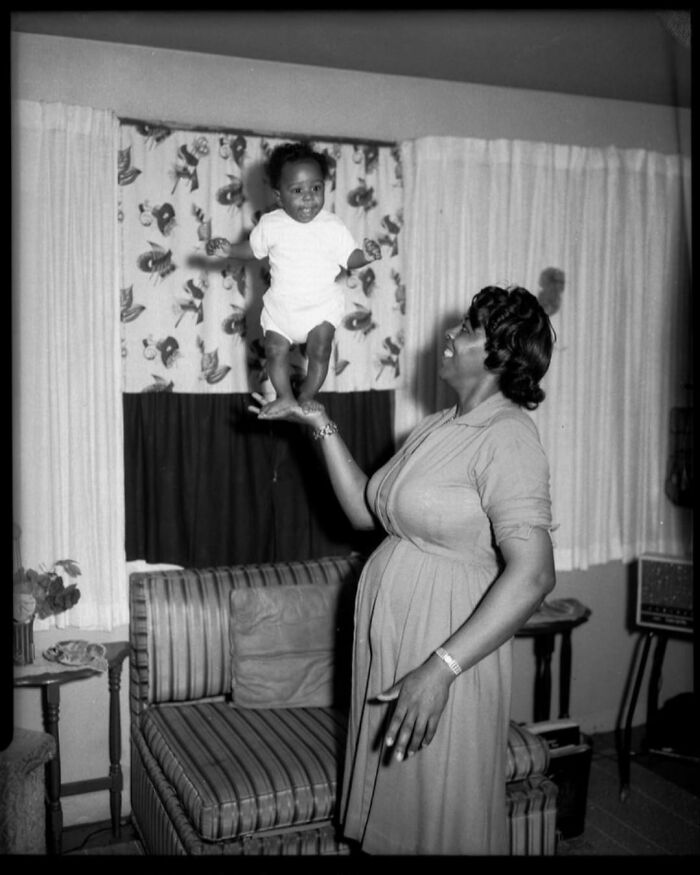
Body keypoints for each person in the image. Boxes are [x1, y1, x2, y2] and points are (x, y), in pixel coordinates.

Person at [249, 284, 557, 855]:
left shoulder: (508, 438)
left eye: (467, 328)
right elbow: (368, 510)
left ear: (500, 355)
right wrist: (316, 420)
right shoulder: (439, 427)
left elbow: (534, 575)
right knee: (397, 816)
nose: (450, 334)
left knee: (440, 821)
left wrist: (440, 669)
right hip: (399, 648)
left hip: (444, 651)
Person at [206, 142, 381, 415]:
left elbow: (350, 257)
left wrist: (366, 256)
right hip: (282, 309)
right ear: (279, 196)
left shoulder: (332, 226)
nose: (309, 197)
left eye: (316, 188)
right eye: (298, 191)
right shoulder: (271, 224)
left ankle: (308, 394)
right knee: (274, 350)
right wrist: (228, 249)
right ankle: (285, 396)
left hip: (321, 307)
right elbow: (252, 250)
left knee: (320, 349)